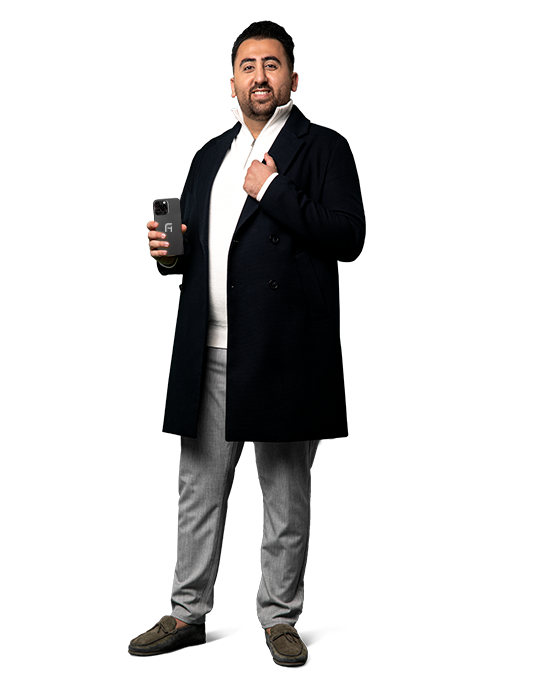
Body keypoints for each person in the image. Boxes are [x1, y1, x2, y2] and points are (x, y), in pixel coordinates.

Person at [128, 21, 365, 666]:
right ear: (231, 82)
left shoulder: (323, 148)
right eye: (247, 65)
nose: (259, 75)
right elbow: (199, 250)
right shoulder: (210, 156)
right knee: (198, 491)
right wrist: (169, 256)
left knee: (287, 494)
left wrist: (272, 189)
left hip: (286, 349)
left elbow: (349, 237)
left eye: (272, 64)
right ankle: (187, 614)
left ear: (293, 78)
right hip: (207, 348)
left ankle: (280, 618)